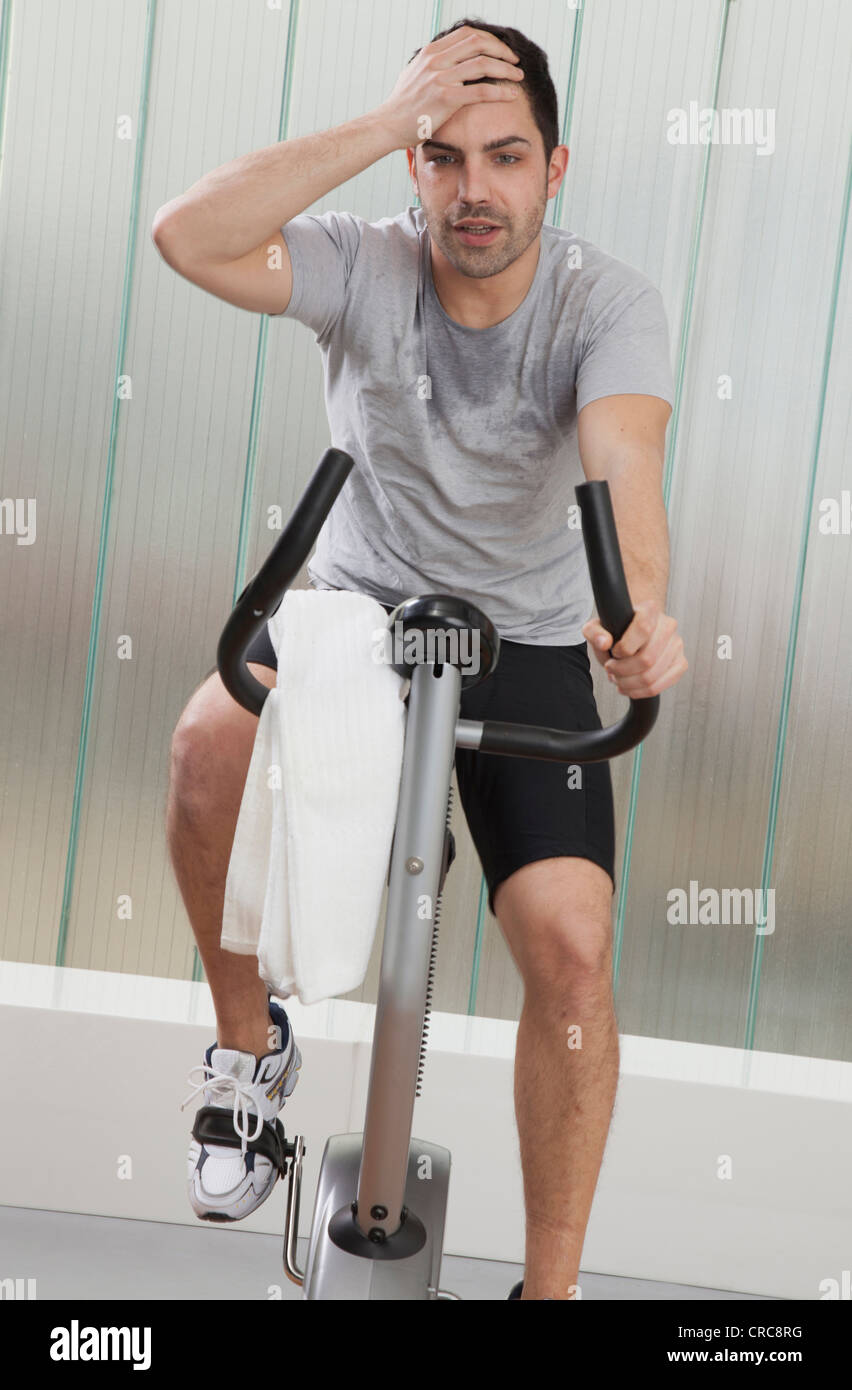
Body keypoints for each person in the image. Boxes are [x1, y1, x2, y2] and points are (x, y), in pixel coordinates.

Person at [154, 18, 688, 1300]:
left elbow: (627, 467)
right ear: (412, 167)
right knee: (203, 747)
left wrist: (642, 615)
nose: (474, 191)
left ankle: (548, 1291)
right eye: (443, 158)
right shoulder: (361, 262)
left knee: (569, 942)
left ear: (556, 169)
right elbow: (187, 235)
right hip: (354, 610)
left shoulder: (605, 303)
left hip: (531, 634)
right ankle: (248, 1056)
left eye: (506, 158)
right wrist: (381, 123)